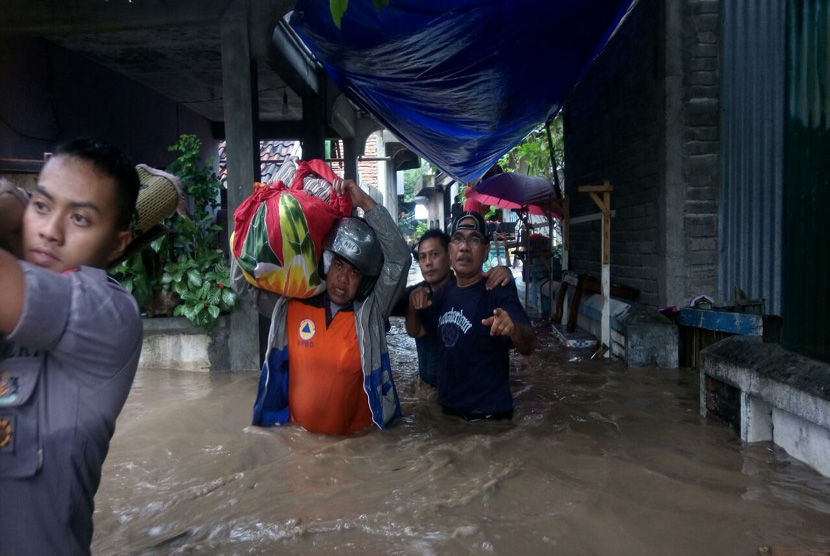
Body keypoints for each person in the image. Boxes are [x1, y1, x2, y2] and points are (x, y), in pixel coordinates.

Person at [0, 138, 143, 555]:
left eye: (79, 218)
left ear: (117, 243)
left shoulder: (109, 314)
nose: (49, 231)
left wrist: (9, 207)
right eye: (41, 206)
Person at [232, 178, 410, 435]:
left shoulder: (370, 313)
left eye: (354, 272)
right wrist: (256, 214)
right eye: (338, 265)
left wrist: (364, 202)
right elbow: (242, 284)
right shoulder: (290, 306)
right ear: (325, 262)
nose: (343, 279)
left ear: (364, 280)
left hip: (356, 448)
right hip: (296, 444)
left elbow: (399, 259)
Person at [406, 211, 536, 421]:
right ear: (450, 250)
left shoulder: (498, 290)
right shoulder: (443, 294)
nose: (464, 247)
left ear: (485, 252)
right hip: (449, 415)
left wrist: (513, 328)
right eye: (458, 239)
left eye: (474, 239)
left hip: (489, 421)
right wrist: (413, 304)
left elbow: (528, 346)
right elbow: (417, 330)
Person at [391, 228, 512, 387]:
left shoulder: (472, 293)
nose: (428, 263)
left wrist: (505, 271)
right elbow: (382, 304)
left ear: (449, 256)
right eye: (422, 257)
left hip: (464, 392)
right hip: (429, 388)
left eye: (434, 254)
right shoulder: (415, 294)